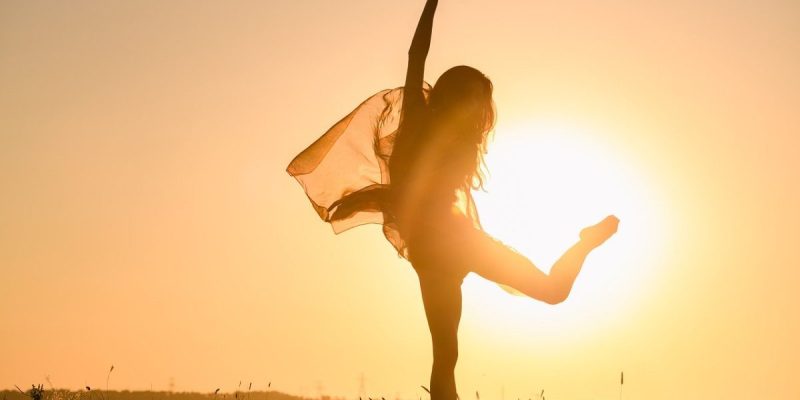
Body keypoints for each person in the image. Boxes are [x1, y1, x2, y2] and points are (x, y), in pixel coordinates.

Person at [286, 1, 619, 399]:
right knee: (446, 354)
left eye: (481, 99)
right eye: (473, 96)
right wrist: (431, 4)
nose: (478, 107)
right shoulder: (418, 119)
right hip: (434, 250)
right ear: (454, 93)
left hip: (460, 241)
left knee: (552, 291)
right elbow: (416, 55)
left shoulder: (463, 141)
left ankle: (585, 242)